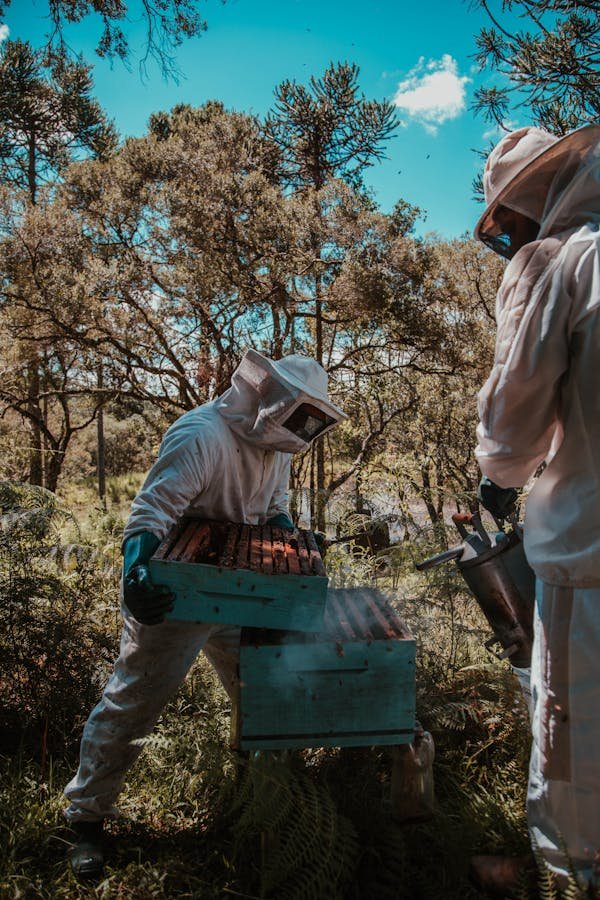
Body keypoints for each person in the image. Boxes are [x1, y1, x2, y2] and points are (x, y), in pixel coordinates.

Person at [63, 349, 346, 879]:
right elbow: (151, 512)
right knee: (135, 700)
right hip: (178, 592)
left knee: (260, 689)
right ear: (272, 400)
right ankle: (85, 819)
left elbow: (273, 508)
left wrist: (295, 543)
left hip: (243, 592)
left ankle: (258, 799)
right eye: (299, 416)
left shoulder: (277, 445)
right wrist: (136, 571)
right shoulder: (201, 435)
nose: (301, 429)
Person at [470, 123, 600, 896]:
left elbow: (511, 430)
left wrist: (500, 473)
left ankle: (569, 875)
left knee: (572, 738)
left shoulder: (558, 260)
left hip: (589, 553)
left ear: (529, 204)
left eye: (507, 227)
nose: (510, 243)